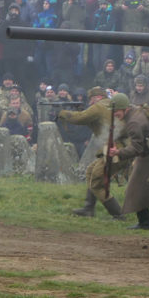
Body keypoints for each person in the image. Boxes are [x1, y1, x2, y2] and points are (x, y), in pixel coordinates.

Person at [107, 94, 149, 230]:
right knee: (148, 188)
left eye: (116, 111)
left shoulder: (133, 122)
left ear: (125, 109)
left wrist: (118, 152)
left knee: (135, 188)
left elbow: (137, 148)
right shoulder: (135, 112)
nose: (114, 114)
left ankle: (145, 223)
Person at [58, 86, 114, 217]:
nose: (90, 103)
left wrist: (64, 114)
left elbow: (80, 119)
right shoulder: (109, 105)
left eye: (91, 99)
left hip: (114, 149)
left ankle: (118, 214)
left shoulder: (99, 106)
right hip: (113, 147)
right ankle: (89, 208)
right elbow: (92, 121)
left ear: (98, 98)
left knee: (96, 180)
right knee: (91, 171)